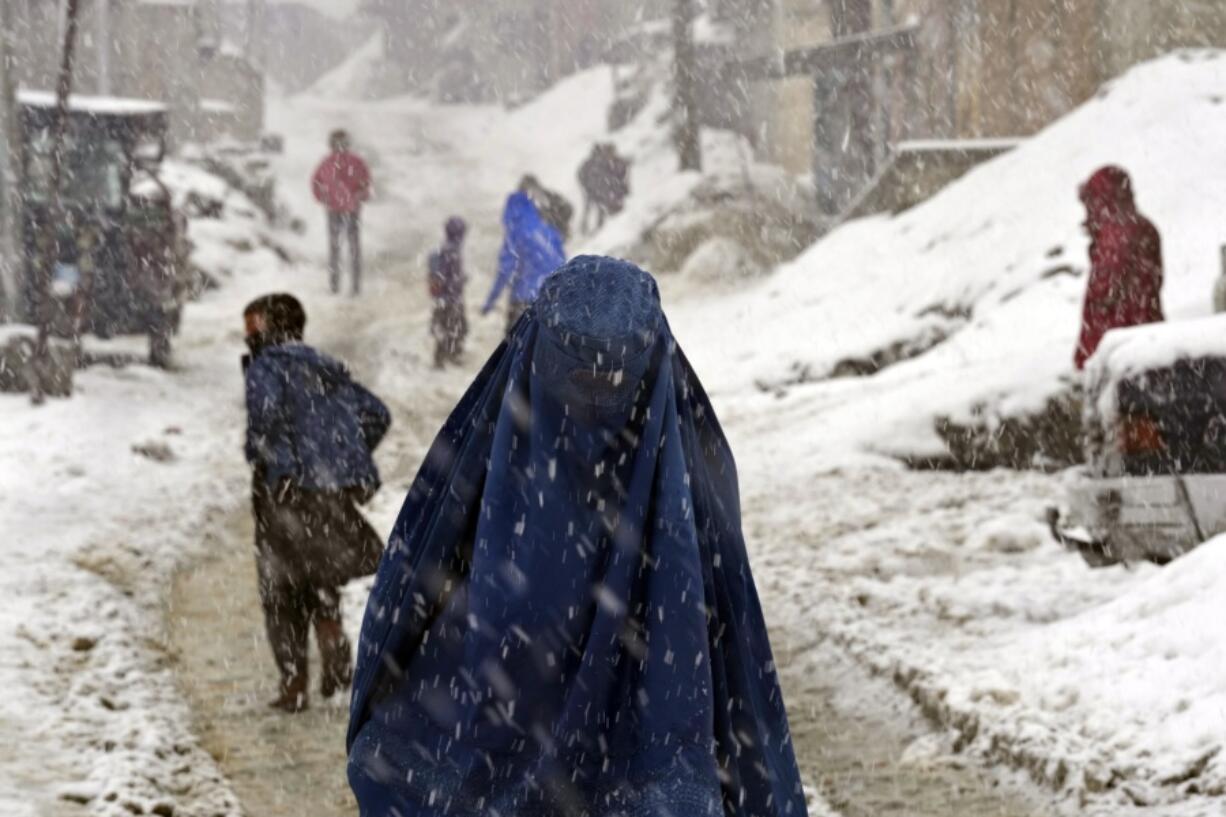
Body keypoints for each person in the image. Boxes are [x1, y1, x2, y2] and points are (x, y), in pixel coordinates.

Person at [347, 256, 809, 817]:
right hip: (648, 748)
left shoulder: (485, 451)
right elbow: (732, 644)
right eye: (578, 377)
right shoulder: (688, 473)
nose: (594, 402)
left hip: (486, 740)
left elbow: (410, 590)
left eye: (610, 379)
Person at [243, 293, 391, 712]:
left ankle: (294, 685)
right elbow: (376, 414)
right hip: (328, 493)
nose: (247, 339)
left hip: (283, 493)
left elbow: (267, 421)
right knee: (320, 574)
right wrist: (342, 461)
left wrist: (283, 466)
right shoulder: (327, 370)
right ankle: (335, 651)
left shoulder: (266, 368)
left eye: (253, 329)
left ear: (272, 330)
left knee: (280, 588)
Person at [1074, 166, 1164, 369]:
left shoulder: (1118, 235)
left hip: (1120, 351)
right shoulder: (1139, 227)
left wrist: (1088, 353)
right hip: (1146, 338)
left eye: (1091, 202)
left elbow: (1103, 298)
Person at [481, 189, 566, 334]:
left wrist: (490, 302)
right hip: (551, 299)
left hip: (524, 299)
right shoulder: (549, 231)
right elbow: (562, 263)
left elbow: (505, 270)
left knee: (515, 347)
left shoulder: (516, 233)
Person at [311, 129, 372, 295]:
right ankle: (355, 285)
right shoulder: (357, 162)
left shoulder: (326, 163)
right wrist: (360, 196)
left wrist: (323, 198)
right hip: (352, 209)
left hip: (333, 210)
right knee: (354, 248)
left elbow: (315, 182)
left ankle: (334, 285)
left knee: (334, 248)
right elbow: (365, 181)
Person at [428, 217, 469, 369]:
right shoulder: (454, 253)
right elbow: (451, 278)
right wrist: (461, 280)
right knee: (459, 329)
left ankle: (441, 361)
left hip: (441, 301)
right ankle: (451, 358)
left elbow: (439, 277)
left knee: (443, 331)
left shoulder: (440, 251)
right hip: (453, 301)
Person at [578, 142, 631, 234]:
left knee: (591, 207)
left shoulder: (593, 163)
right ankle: (593, 226)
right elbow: (607, 178)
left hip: (591, 188)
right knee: (596, 206)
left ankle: (589, 226)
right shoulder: (597, 164)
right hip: (594, 188)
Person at [520, 174, 574, 242]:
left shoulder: (549, 195)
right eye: (529, 189)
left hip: (557, 232)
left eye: (534, 187)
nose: (533, 192)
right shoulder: (522, 205)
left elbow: (567, 207)